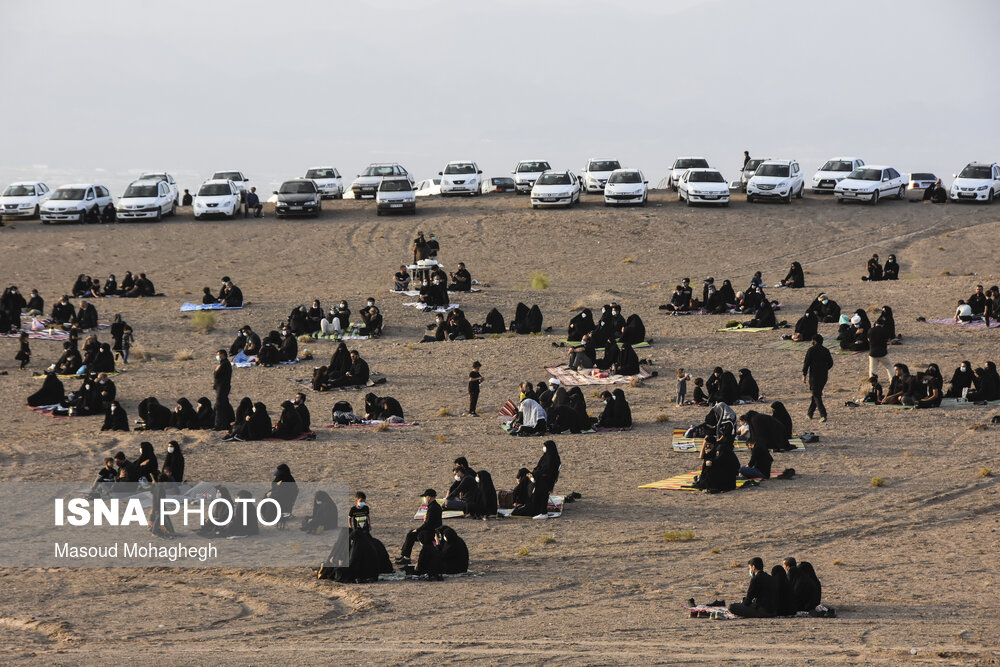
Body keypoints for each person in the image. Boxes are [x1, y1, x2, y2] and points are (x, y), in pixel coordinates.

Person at [397, 488, 442, 566]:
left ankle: (406, 557)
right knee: (411, 532)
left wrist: (417, 530)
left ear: (429, 497)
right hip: (431, 529)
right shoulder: (434, 506)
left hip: (431, 532)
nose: (424, 498)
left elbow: (428, 524)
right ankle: (404, 555)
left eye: (425, 497)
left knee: (411, 535)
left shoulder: (433, 508)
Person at [802, 334, 833, 422]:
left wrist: (804, 374)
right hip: (823, 376)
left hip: (814, 376)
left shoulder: (811, 350)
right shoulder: (826, 350)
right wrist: (824, 369)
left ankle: (823, 414)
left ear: (814, 341)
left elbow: (806, 363)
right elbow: (830, 363)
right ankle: (810, 413)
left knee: (816, 395)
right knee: (816, 394)